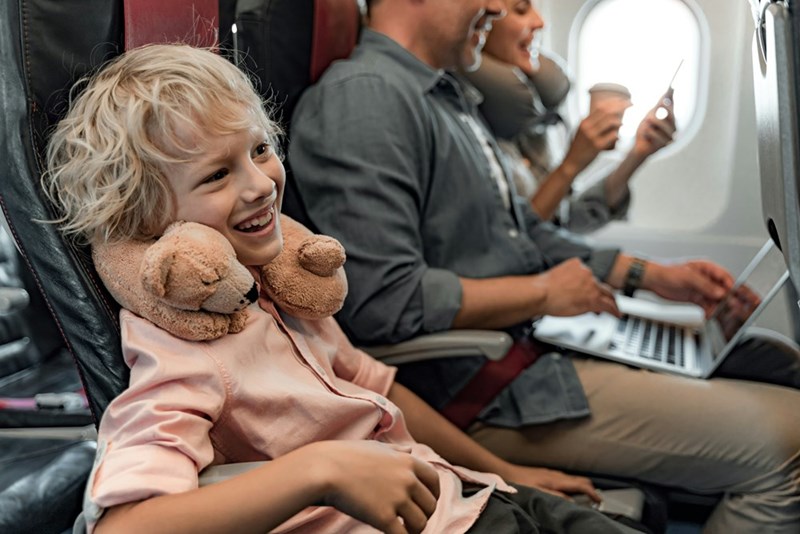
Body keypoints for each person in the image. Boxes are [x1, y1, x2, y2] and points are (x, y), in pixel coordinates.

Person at [42, 43, 641, 534]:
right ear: (150, 223)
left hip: (466, 494)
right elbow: (123, 525)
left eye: (260, 150)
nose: (261, 185)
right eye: (217, 174)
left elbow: (376, 388)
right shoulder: (180, 351)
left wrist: (508, 471)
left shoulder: (277, 286)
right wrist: (319, 471)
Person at [287, 0, 800, 532]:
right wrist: (542, 294)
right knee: (791, 445)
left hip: (527, 358)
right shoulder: (365, 100)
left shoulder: (448, 99)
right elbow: (382, 301)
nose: (493, 6)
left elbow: (523, 235)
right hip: (482, 393)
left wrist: (652, 276)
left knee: (767, 360)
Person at [460, 0, 676, 233]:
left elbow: (564, 224)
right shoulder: (465, 127)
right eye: (522, 10)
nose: (540, 22)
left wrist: (637, 154)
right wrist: (571, 164)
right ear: (482, 25)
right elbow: (511, 245)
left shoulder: (537, 123)